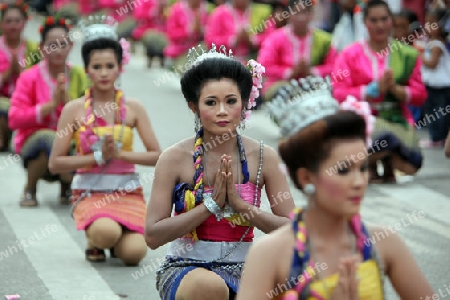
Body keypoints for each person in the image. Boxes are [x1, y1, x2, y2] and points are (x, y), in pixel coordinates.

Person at [236, 76, 435, 300]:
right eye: (343, 170)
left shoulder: (385, 243)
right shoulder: (270, 254)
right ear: (306, 178)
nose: (360, 181)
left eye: (362, 168)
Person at [145, 44, 295, 300]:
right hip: (187, 269)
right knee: (210, 288)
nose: (222, 111)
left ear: (245, 103)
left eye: (231, 101)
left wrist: (241, 206)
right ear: (194, 106)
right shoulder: (173, 159)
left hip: (246, 268)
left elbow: (294, 230)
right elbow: (152, 235)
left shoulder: (263, 157)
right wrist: (209, 206)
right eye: (211, 102)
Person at [48, 15, 162, 265]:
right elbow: (55, 163)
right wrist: (96, 157)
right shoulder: (74, 110)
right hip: (90, 192)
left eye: (110, 66)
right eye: (96, 67)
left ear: (120, 67)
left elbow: (157, 156)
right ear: (86, 69)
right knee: (106, 232)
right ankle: (97, 236)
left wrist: (121, 156)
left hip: (127, 193)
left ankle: (114, 234)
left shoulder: (134, 108)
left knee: (134, 255)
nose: (103, 73)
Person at [332, 0, 427, 184]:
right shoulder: (350, 54)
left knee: (412, 163)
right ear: (365, 23)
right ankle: (373, 164)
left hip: (397, 118)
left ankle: (383, 160)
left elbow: (420, 95)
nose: (380, 25)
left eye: (384, 19)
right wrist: (372, 90)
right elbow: (339, 93)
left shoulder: (408, 54)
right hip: (361, 123)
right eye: (374, 20)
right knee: (376, 137)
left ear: (392, 20)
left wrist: (396, 90)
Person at [8, 15, 87, 207]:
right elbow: (14, 119)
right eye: (52, 45)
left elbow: (90, 117)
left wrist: (67, 101)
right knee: (47, 137)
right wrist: (50, 105)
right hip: (36, 146)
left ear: (71, 46)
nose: (58, 50)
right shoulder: (30, 77)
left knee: (83, 139)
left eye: (63, 44)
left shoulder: (79, 75)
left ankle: (66, 185)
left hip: (70, 143)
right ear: (42, 48)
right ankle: (31, 187)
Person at [257, 0, 337, 104]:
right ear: (288, 14)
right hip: (280, 85)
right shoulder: (275, 38)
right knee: (285, 93)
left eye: (305, 13)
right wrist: (290, 72)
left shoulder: (324, 39)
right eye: (297, 13)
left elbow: (335, 66)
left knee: (326, 91)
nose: (301, 17)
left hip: (313, 84)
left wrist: (311, 71)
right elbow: (264, 66)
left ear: (311, 14)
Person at [0, 2, 40, 152]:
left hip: (26, 101)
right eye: (8, 21)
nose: (13, 25)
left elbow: (41, 78)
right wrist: (9, 72)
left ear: (25, 23)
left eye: (17, 21)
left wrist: (22, 72)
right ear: (2, 23)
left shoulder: (34, 49)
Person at [419, 8, 450, 148]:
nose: (428, 27)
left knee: (437, 112)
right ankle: (437, 136)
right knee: (434, 111)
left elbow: (432, 63)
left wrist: (419, 56)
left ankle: (438, 137)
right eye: (427, 23)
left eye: (433, 24)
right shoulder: (431, 42)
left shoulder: (437, 44)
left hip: (439, 86)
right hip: (433, 85)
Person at [204, 0, 272, 63]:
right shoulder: (219, 13)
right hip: (224, 62)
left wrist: (253, 40)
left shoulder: (261, 11)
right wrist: (233, 40)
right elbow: (209, 40)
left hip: (254, 61)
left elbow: (272, 37)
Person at [163, 0, 210, 73]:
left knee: (206, 46)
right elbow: (171, 34)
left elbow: (210, 35)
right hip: (179, 53)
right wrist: (189, 30)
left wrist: (200, 30)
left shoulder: (204, 10)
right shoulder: (177, 9)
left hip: (195, 51)